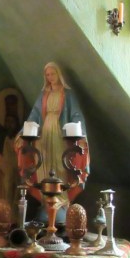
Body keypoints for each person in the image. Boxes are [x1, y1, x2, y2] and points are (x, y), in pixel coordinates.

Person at [19, 62, 89, 217]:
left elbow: (76, 115)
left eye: (53, 74)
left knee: (60, 163)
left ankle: (61, 201)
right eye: (48, 75)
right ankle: (46, 201)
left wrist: (81, 133)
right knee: (43, 163)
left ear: (59, 74)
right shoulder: (44, 94)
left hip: (59, 133)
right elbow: (34, 115)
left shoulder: (68, 94)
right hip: (44, 134)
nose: (50, 77)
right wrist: (22, 132)